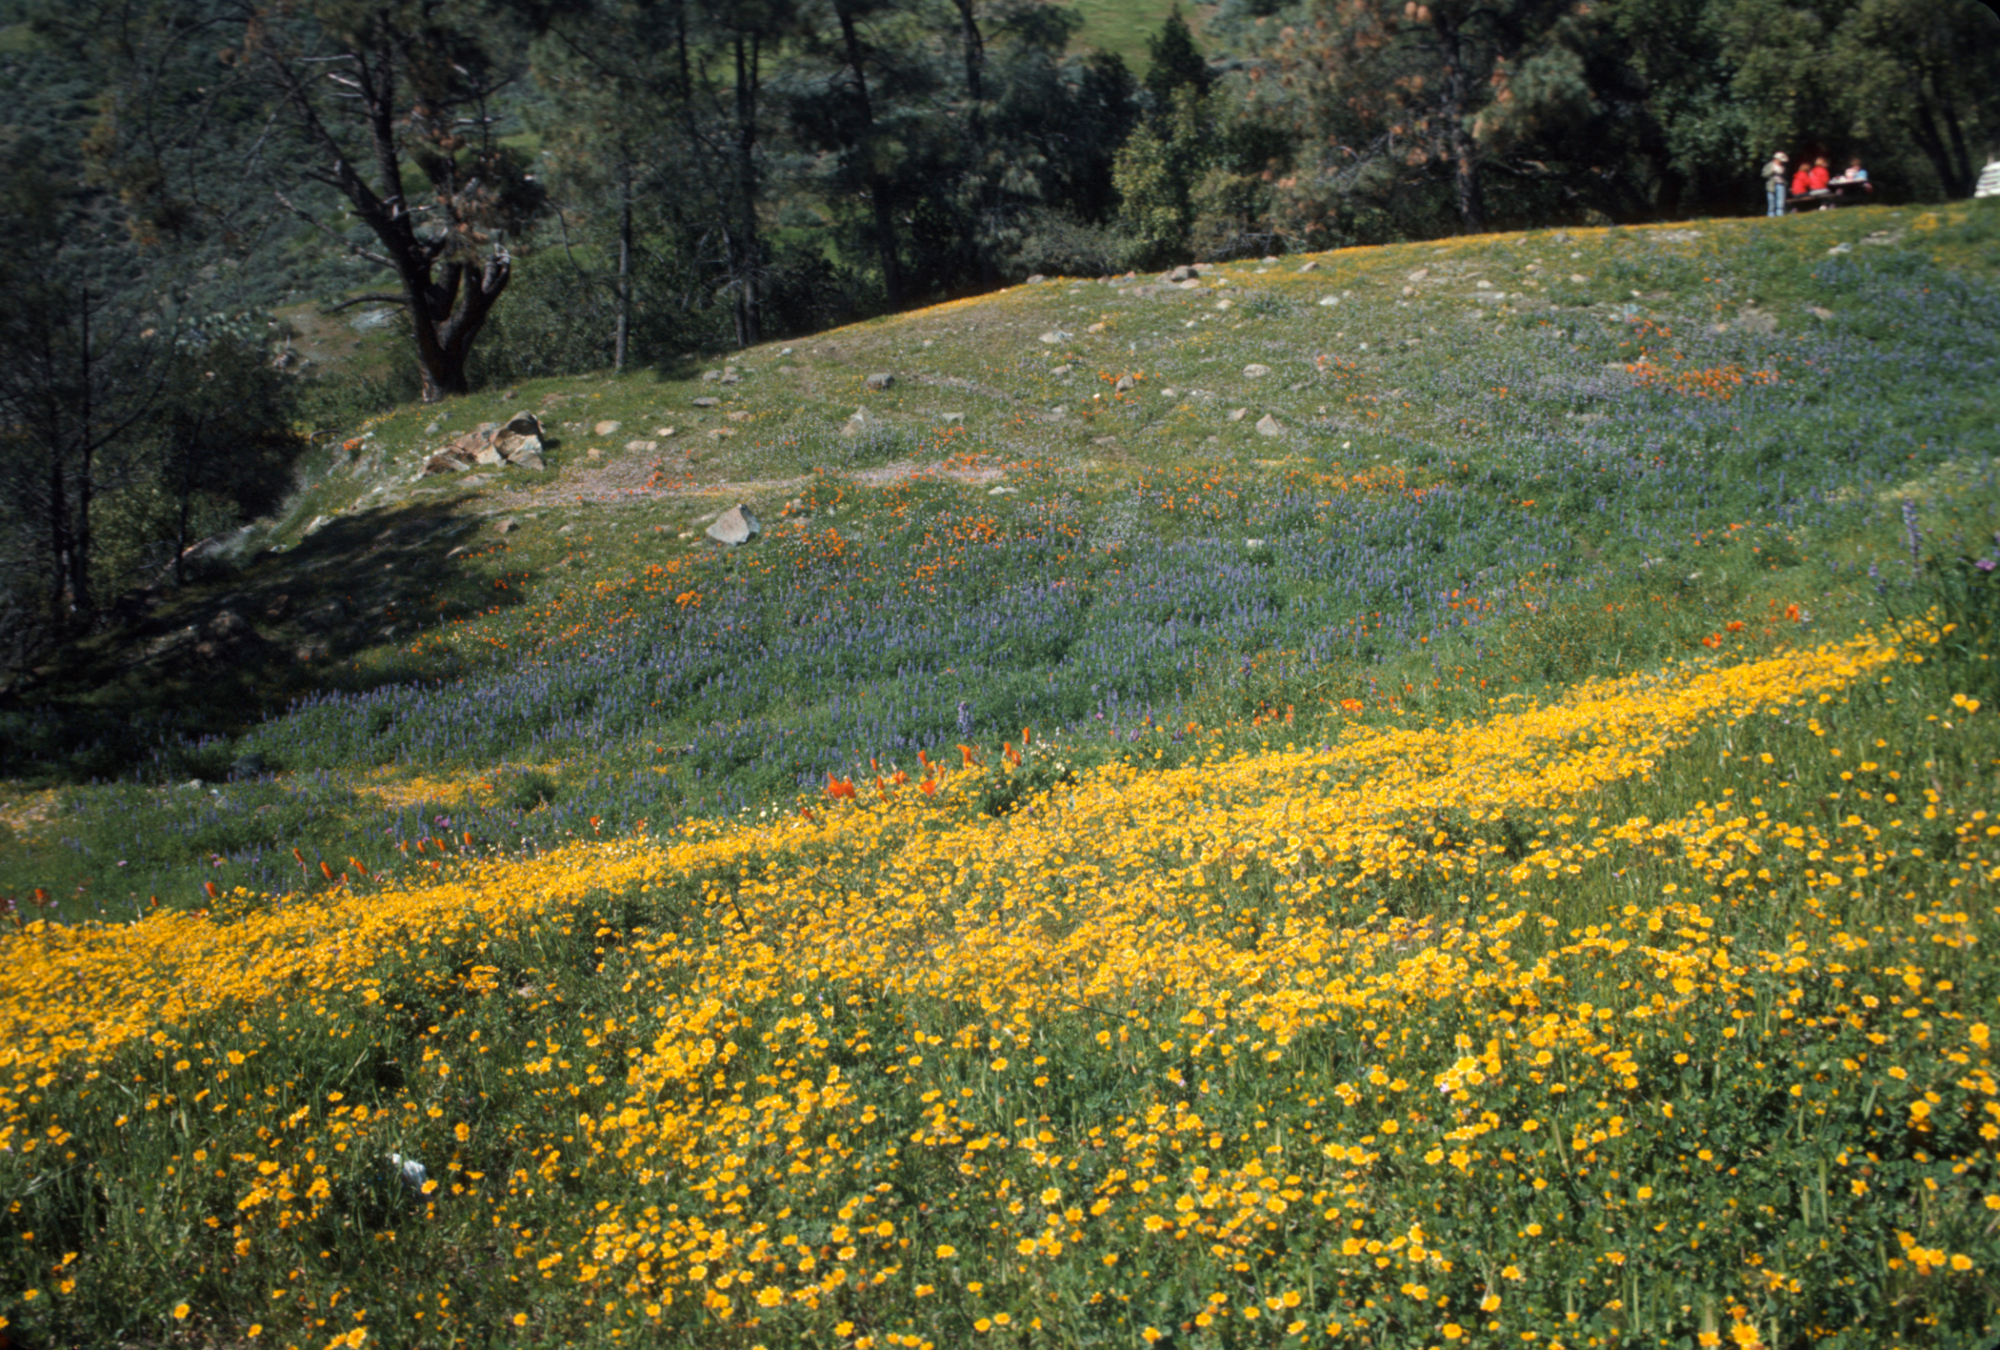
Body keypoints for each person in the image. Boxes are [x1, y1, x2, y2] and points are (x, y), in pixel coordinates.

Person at [1763, 151, 1790, 216]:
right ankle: (1771, 215)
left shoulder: (1782, 166)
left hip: (1781, 184)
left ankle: (1780, 215)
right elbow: (1764, 175)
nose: (1781, 162)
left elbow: (1785, 176)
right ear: (1776, 159)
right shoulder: (1769, 165)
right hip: (1771, 185)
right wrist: (1771, 171)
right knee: (1771, 201)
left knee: (1781, 201)